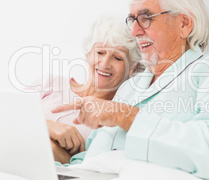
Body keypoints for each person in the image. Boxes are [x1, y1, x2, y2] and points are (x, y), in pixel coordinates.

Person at [52, 0, 209, 180]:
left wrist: (126, 116)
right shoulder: (130, 88)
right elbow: (89, 159)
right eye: (132, 19)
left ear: (184, 24)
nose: (135, 31)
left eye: (146, 18)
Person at [39, 14, 143, 164]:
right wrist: (47, 127)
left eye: (118, 58)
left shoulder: (115, 118)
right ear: (88, 53)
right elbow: (1, 115)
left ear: (132, 67)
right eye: (100, 52)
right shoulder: (49, 83)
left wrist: (54, 149)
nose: (105, 63)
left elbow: (86, 165)